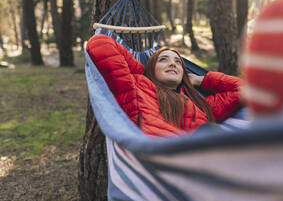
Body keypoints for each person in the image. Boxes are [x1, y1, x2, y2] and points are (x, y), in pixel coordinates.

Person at [86, 34, 242, 137]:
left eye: (178, 62)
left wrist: (202, 81)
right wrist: (143, 71)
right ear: (151, 67)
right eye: (163, 60)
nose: (172, 64)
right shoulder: (137, 86)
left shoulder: (200, 104)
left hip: (208, 156)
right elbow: (100, 43)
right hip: (168, 157)